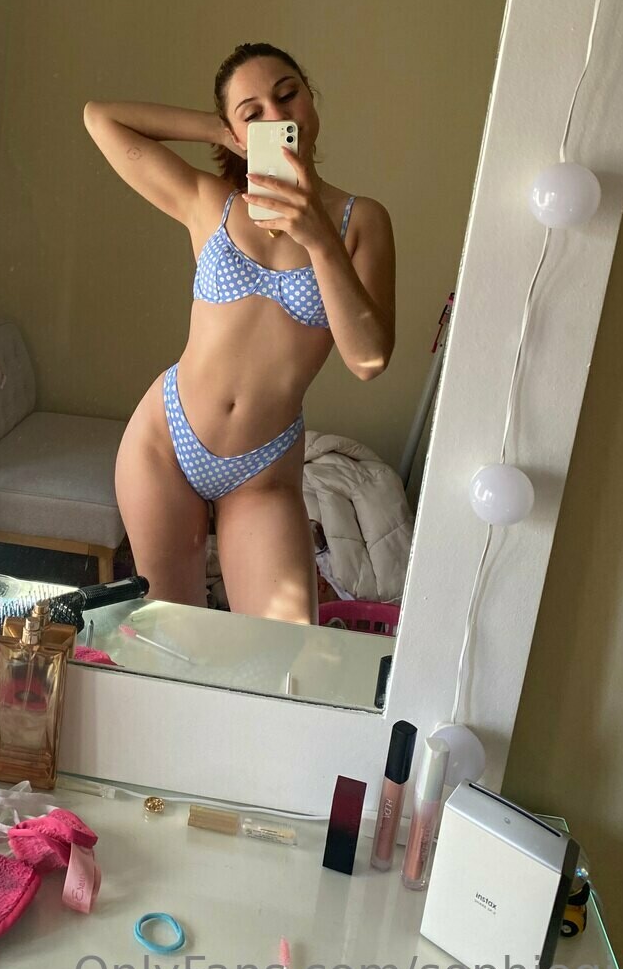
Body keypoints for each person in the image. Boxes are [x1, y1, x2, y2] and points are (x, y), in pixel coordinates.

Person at [83, 42, 395, 623]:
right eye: (253, 113)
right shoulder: (210, 202)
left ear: (311, 102)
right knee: (171, 637)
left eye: (287, 95)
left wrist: (318, 236)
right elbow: (100, 118)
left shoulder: (362, 221)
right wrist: (221, 130)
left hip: (262, 471)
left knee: (283, 649)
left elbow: (368, 359)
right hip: (166, 442)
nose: (275, 116)